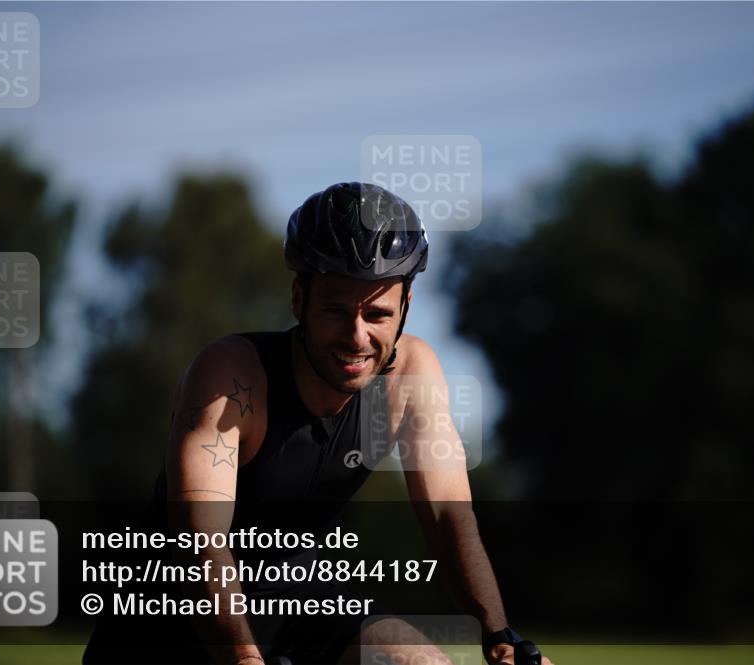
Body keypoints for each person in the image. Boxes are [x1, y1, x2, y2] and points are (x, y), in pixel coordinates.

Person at [83, 182, 552, 665]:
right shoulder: (231, 377)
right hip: (175, 623)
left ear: (406, 308)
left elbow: (449, 518)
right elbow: (200, 541)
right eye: (335, 311)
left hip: (305, 605)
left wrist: (501, 636)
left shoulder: (412, 376)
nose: (357, 336)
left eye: (377, 314)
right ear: (298, 298)